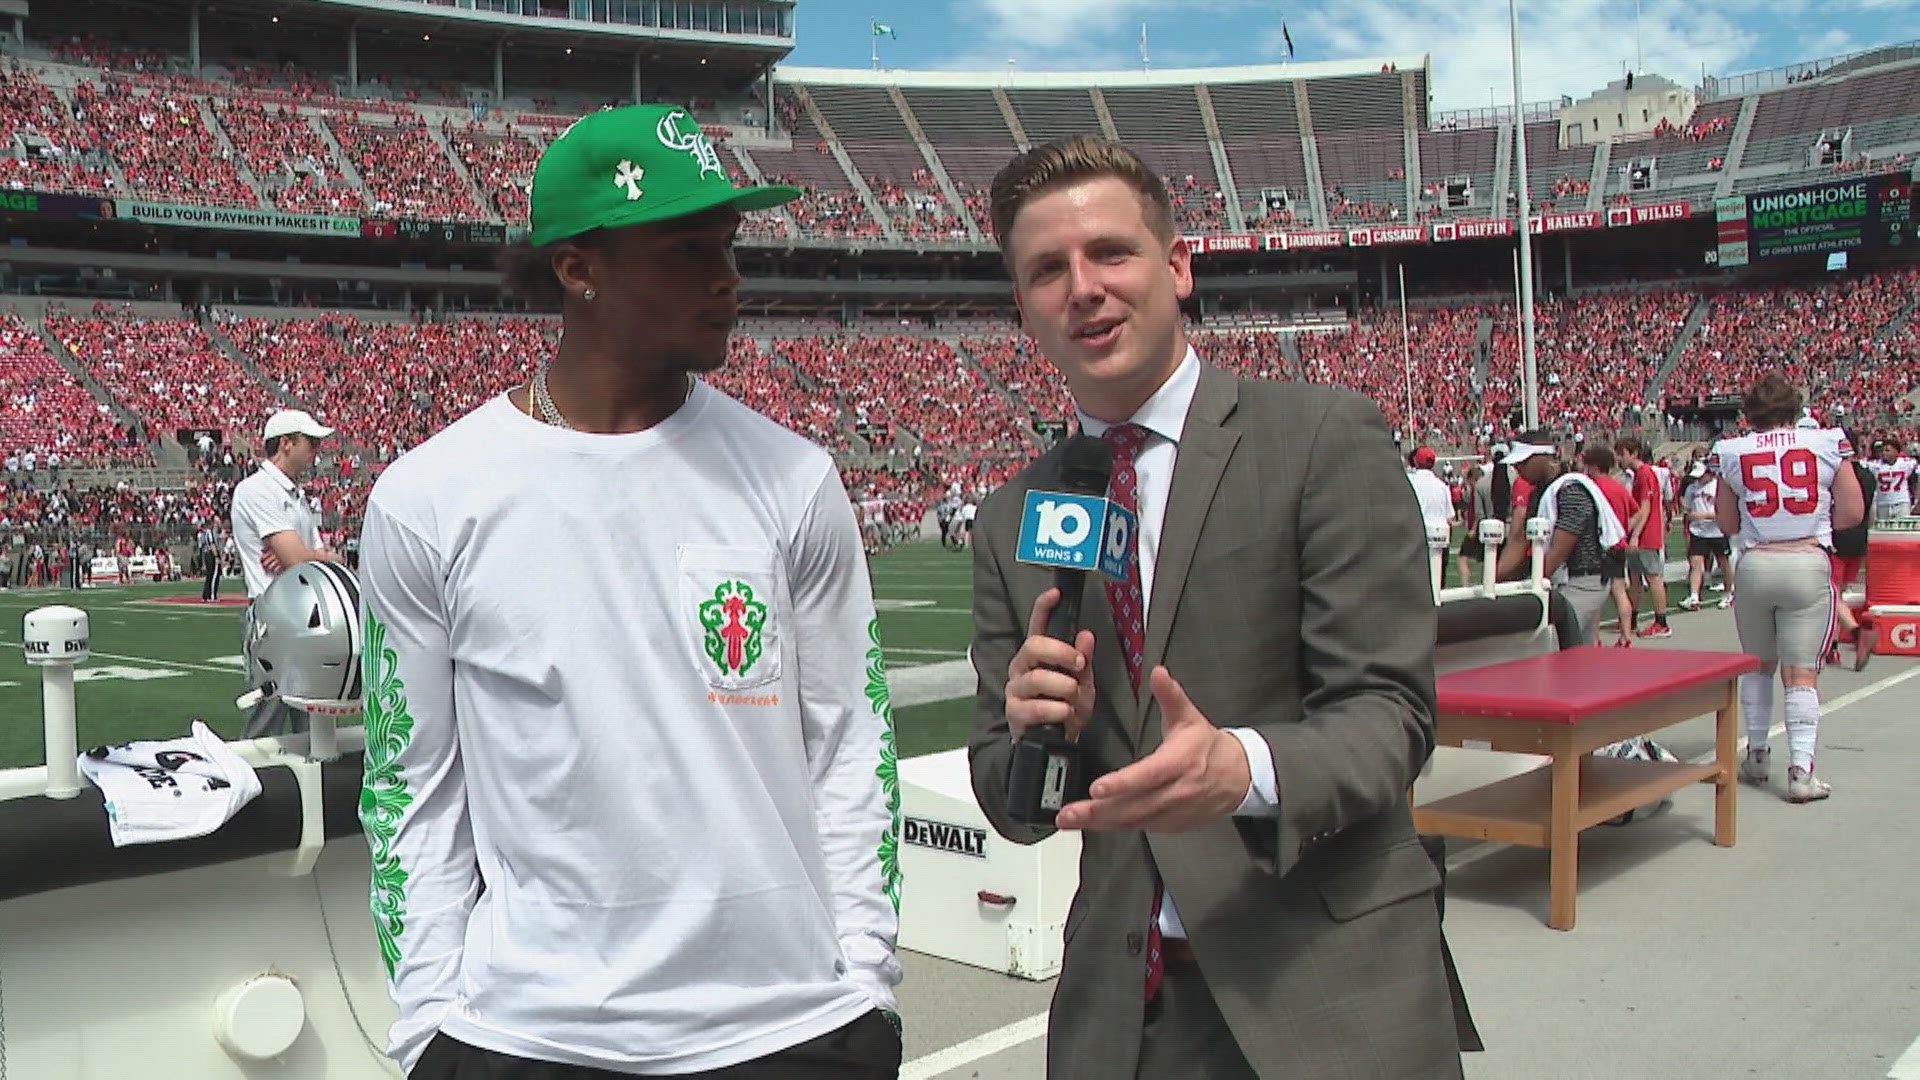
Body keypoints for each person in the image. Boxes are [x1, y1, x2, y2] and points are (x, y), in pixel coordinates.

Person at [357, 104, 902, 1080]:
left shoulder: (794, 479)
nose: (727, 276)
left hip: (790, 1032)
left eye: (728, 244)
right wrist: (429, 1026)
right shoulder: (428, 501)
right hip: (525, 1039)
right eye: (688, 246)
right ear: (578, 267)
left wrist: (866, 988)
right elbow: (412, 792)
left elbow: (850, 751)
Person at [967, 134, 1464, 1080]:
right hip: (1127, 1020)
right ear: (1026, 309)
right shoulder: (1010, 520)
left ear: (1178, 265)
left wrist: (1246, 767)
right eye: (1046, 270)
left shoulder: (1321, 439)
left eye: (1110, 252)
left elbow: (1393, 715)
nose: (1083, 287)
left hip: (1326, 989)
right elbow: (1015, 801)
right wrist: (1041, 739)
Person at [1712, 374, 1866, 803]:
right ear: (1796, 409)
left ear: (1750, 415)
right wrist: (1811, 526)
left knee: (1758, 665)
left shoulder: (1731, 451)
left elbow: (1727, 524)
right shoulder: (1826, 442)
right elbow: (1853, 511)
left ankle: (1756, 755)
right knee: (1802, 672)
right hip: (1805, 560)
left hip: (1756, 563)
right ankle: (1800, 772)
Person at [230, 408, 344, 737]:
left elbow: (309, 559)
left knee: (315, 723)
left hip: (302, 613)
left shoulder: (292, 495)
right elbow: (300, 559)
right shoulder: (258, 490)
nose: (316, 451)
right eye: (310, 442)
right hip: (274, 615)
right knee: (268, 723)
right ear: (286, 444)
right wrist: (309, 558)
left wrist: (309, 558)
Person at [1495, 434, 1625, 646]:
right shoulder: (1540, 493)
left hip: (1583, 580)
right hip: (1563, 580)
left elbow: (1559, 551)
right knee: (1576, 649)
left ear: (1542, 457)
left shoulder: (1571, 489)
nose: (1518, 467)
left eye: (1524, 462)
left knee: (1553, 644)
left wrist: (1529, 583)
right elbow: (1520, 541)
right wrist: (1494, 580)